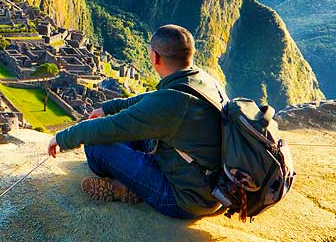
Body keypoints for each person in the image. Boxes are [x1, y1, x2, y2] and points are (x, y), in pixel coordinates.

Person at [47, 25, 227, 219]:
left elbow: (112, 127)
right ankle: (135, 181)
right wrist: (110, 107)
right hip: (209, 186)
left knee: (95, 147)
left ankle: (128, 187)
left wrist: (63, 138)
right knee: (130, 135)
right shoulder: (202, 79)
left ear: (155, 57)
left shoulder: (172, 103)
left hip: (183, 200)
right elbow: (152, 98)